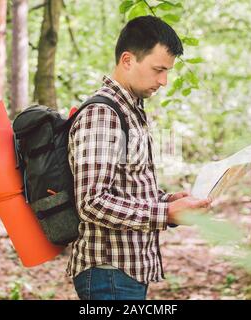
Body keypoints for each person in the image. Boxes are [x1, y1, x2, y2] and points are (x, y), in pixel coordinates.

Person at [67, 15, 211, 300]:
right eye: (158, 69)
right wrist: (164, 214)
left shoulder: (130, 110)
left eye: (167, 71)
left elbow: (125, 187)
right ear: (128, 60)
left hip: (125, 272)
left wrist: (166, 201)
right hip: (108, 274)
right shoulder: (103, 114)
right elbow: (91, 203)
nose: (164, 81)